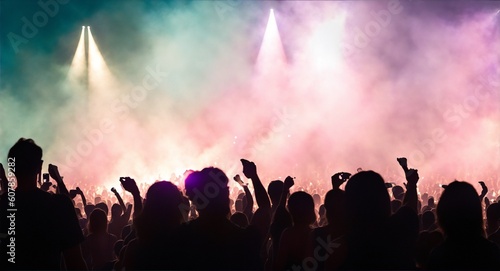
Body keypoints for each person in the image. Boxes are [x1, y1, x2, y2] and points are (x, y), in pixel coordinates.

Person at [0, 138, 87, 270]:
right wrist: (59, 180)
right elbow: (75, 262)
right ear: (39, 167)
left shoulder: (2, 205)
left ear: (11, 168)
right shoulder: (59, 206)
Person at [428, 181, 500, 269]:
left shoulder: (437, 257)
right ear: (477, 213)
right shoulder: (492, 253)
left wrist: (451, 200)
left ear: (442, 214)